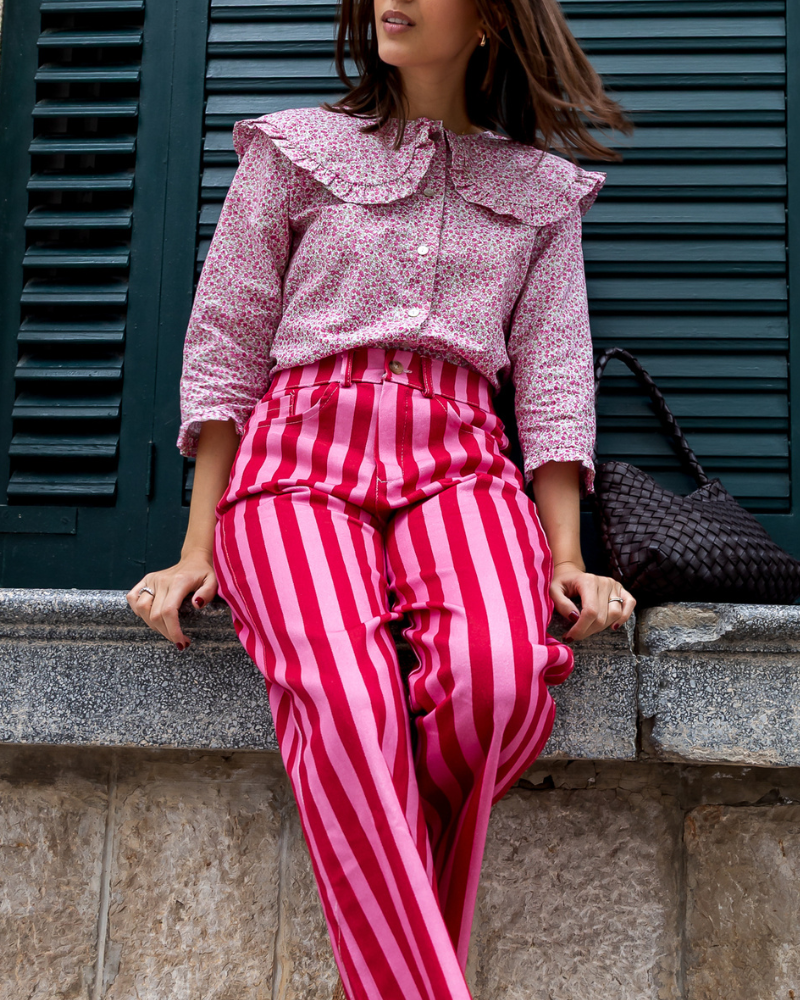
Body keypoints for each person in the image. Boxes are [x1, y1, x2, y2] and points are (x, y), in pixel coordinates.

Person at [129, 0, 635, 996]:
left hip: (461, 460)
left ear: (491, 21)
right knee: (348, 700)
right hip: (296, 457)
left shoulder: (540, 193)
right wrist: (196, 546)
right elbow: (226, 340)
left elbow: (553, 380)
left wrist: (568, 557)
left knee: (499, 682)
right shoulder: (292, 152)